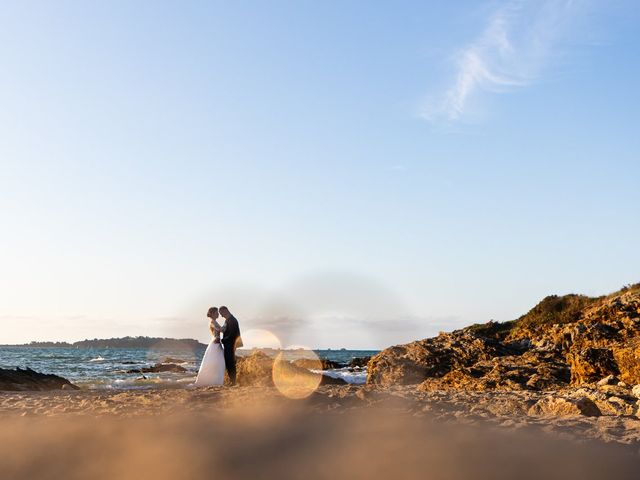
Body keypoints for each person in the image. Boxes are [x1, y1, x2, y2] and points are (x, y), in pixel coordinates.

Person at [194, 307, 225, 386]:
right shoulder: (212, 321)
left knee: (218, 363)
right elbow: (221, 330)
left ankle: (216, 381)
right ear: (213, 313)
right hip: (215, 344)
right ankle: (214, 381)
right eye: (217, 312)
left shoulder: (214, 321)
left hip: (217, 343)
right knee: (215, 363)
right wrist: (227, 324)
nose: (218, 314)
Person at [219, 306, 242, 385]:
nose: (221, 316)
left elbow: (232, 335)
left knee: (230, 362)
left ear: (225, 311)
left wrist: (222, 340)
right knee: (229, 362)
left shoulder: (232, 320)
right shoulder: (228, 320)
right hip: (229, 344)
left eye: (221, 313)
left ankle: (233, 382)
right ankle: (232, 381)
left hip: (231, 344)